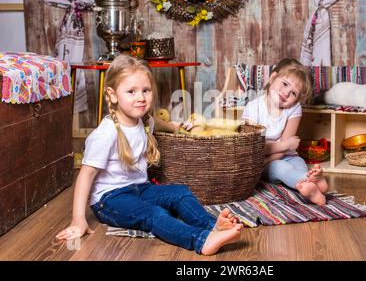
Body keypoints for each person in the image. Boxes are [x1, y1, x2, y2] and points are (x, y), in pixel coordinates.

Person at [56, 54, 242, 255]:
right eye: (131, 91)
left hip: (141, 189)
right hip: (109, 199)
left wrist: (177, 126)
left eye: (146, 90)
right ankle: (201, 240)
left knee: (180, 192)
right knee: (154, 214)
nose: (141, 97)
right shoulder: (106, 133)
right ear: (112, 95)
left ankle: (213, 225)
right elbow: (85, 175)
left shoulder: (144, 121)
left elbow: (160, 123)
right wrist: (78, 219)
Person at [242, 58, 328, 206]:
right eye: (285, 84)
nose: (286, 93)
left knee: (299, 164)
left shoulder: (294, 108)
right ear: (273, 77)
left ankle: (309, 185)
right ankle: (307, 182)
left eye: (294, 93)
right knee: (282, 169)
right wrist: (285, 146)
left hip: (288, 156)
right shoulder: (253, 108)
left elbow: (287, 148)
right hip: (262, 162)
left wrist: (286, 146)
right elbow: (254, 149)